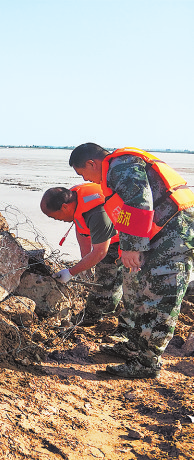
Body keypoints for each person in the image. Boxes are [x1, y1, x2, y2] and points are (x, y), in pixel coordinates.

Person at [69, 143, 194, 378]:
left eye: (82, 173)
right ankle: (134, 346)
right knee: (138, 288)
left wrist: (131, 246)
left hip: (175, 234)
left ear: (91, 163)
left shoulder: (120, 167)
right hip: (161, 233)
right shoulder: (119, 166)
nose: (86, 179)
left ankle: (147, 364)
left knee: (160, 296)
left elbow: (139, 201)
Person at [41, 183, 123, 325]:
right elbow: (82, 229)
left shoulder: (97, 213)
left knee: (109, 277)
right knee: (105, 273)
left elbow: (100, 252)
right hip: (109, 234)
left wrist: (71, 272)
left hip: (132, 236)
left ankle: (95, 316)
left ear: (64, 207)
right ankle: (109, 307)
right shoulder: (73, 198)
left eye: (55, 217)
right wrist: (85, 262)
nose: (57, 220)